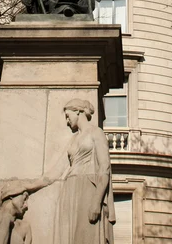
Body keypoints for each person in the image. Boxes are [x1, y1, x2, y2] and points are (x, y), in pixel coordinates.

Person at [52, 99, 115, 244]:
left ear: (78, 111)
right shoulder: (74, 139)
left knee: (86, 237)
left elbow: (104, 167)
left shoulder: (96, 133)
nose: (67, 121)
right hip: (69, 188)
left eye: (68, 116)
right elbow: (55, 171)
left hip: (88, 187)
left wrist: (96, 201)